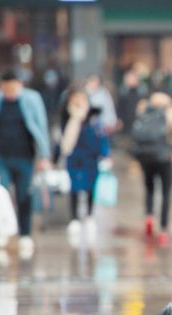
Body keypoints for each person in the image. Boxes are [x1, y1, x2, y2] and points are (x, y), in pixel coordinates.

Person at [0, 69, 51, 259]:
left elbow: (41, 125)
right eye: (6, 88)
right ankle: (2, 232)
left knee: (23, 195)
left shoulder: (32, 99)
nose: (10, 91)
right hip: (0, 156)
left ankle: (25, 234)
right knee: (0, 195)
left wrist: (44, 156)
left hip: (25, 156)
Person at [132, 92, 172, 244]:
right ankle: (164, 229)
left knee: (149, 188)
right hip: (165, 158)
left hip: (146, 157)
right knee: (166, 193)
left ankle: (149, 216)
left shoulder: (144, 108)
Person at [58, 88, 109, 243]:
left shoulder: (94, 116)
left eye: (81, 97)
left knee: (90, 188)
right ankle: (74, 218)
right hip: (74, 157)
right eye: (75, 97)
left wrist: (105, 154)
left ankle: (89, 216)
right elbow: (62, 139)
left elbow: (102, 136)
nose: (78, 101)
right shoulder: (67, 116)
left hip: (91, 157)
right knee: (73, 187)